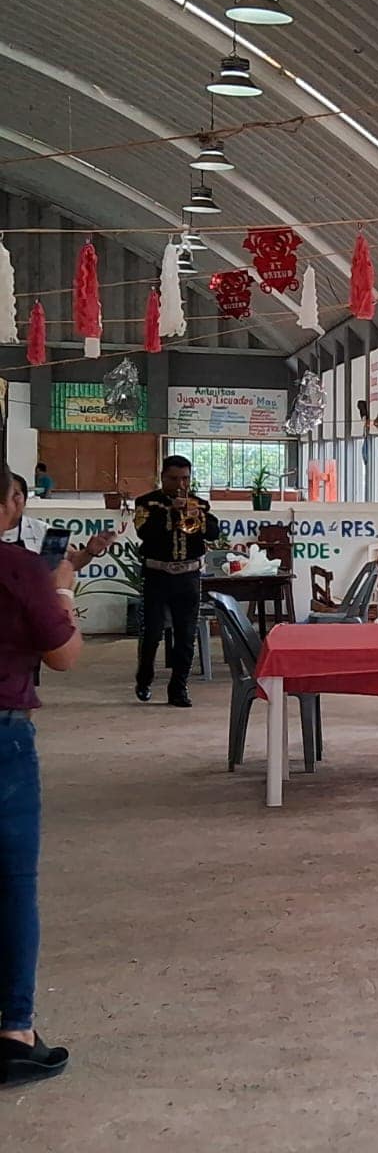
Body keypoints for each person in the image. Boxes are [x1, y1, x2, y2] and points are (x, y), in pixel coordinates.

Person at [0, 456, 83, 1085]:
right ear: (8, 503)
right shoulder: (19, 569)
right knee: (12, 883)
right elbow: (64, 655)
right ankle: (14, 1029)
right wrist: (61, 590)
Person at [132, 456, 221, 708]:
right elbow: (144, 531)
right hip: (157, 575)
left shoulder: (199, 504)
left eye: (185, 478)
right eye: (174, 478)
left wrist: (197, 517)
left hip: (189, 577)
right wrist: (171, 513)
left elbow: (214, 532)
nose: (180, 484)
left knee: (185, 635)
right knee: (151, 632)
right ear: (162, 477)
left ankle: (178, 687)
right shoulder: (147, 503)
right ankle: (144, 678)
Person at [3, 477, 47, 553]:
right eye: (5, 494)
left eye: (16, 494)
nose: (9, 500)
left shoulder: (43, 530)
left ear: (25, 500)